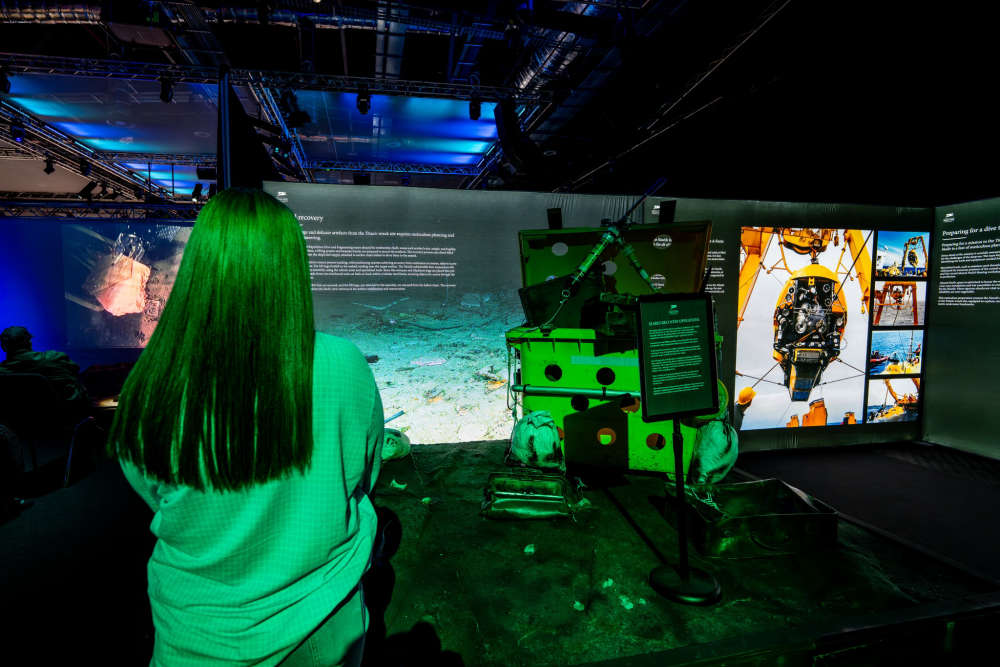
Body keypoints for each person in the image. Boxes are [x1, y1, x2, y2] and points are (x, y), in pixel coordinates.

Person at [106, 189, 384, 666]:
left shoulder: (155, 380)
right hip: (321, 622)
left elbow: (152, 489)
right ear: (292, 267)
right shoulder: (345, 364)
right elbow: (363, 474)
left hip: (196, 634)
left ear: (200, 264)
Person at [0, 325, 90, 422]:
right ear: (29, 342)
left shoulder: (2, 372)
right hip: (65, 420)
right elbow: (75, 369)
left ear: (4, 347)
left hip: (20, 424)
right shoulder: (54, 358)